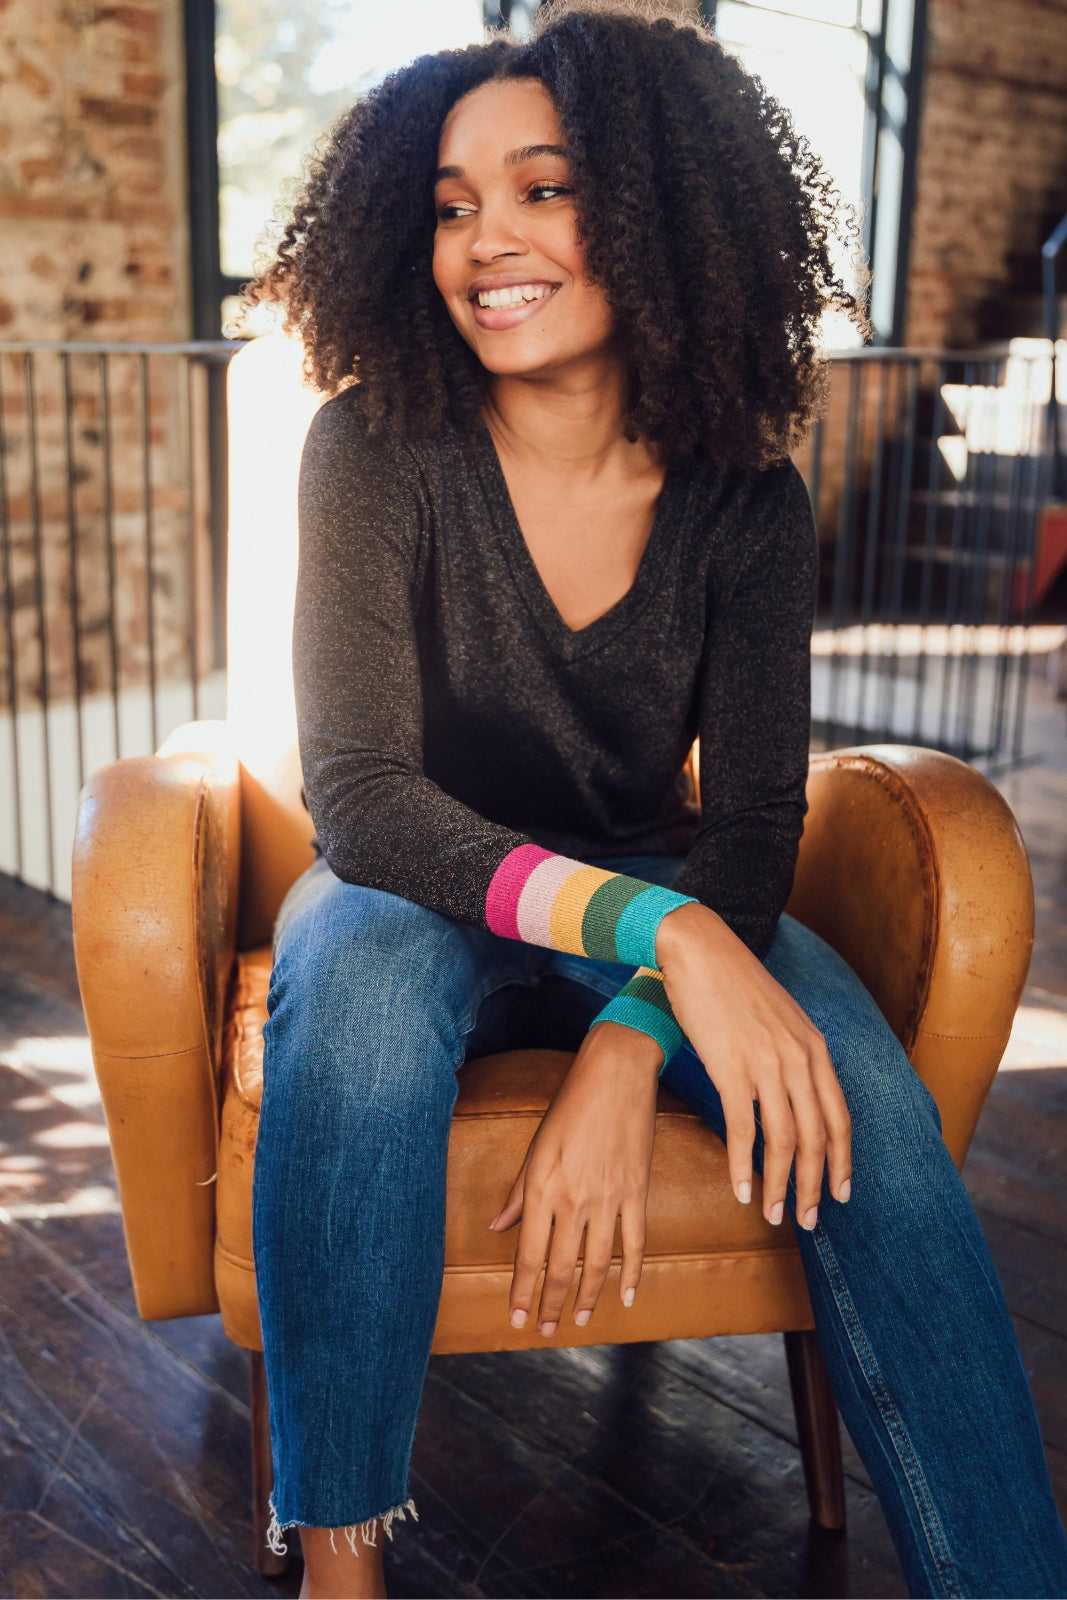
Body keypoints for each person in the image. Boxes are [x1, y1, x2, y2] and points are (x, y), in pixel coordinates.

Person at [240, 4, 1067, 1596]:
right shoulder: (375, 448)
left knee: (855, 1101)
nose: (489, 239)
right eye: (452, 203)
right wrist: (671, 944)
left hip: (647, 879)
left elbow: (754, 824)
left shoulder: (749, 497)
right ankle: (339, 1568)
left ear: (665, 210)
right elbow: (358, 794)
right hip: (411, 877)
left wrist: (631, 1037)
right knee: (348, 1006)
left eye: (545, 189)